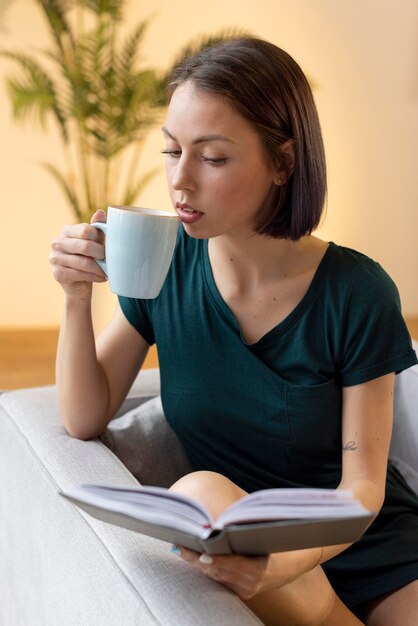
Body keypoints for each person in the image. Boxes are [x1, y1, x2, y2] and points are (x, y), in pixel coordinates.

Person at [49, 36, 418, 626]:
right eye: (172, 152)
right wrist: (75, 298)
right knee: (199, 489)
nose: (181, 180)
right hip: (250, 543)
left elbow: (362, 491)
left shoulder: (358, 291)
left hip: (365, 547)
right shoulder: (167, 266)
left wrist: (289, 564)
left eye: (212, 157)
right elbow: (83, 416)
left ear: (283, 163)